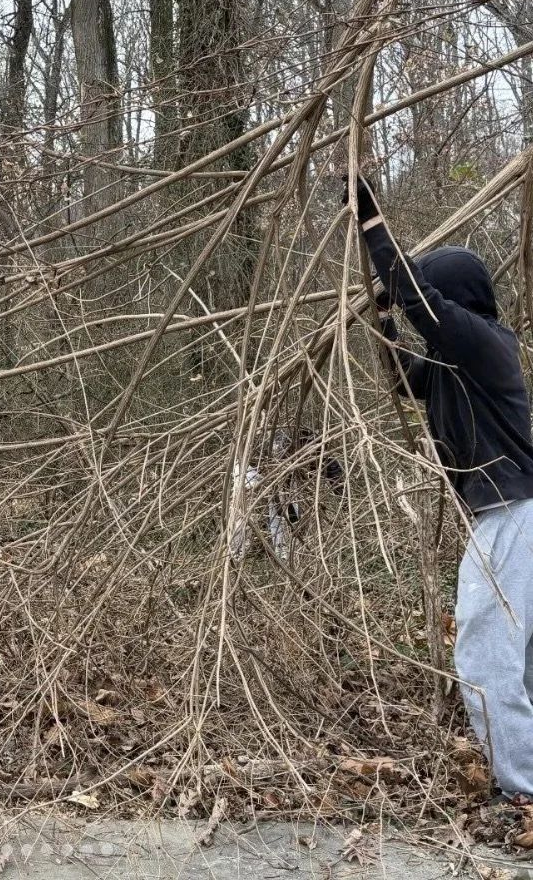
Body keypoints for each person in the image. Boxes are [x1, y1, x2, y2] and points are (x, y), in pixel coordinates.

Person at [346, 175, 533, 806]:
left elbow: (420, 302)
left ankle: (525, 790)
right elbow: (406, 379)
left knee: (485, 656)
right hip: (512, 514)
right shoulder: (459, 368)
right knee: (519, 659)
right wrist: (383, 324)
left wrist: (372, 223)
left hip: (513, 515)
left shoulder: (483, 344)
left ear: (455, 297)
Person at [229, 428, 344, 563]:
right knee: (246, 503)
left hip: (268, 468)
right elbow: (285, 487)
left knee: (279, 504)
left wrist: (345, 502)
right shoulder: (284, 446)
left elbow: (335, 473)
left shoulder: (318, 450)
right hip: (247, 467)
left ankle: (281, 549)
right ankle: (238, 547)